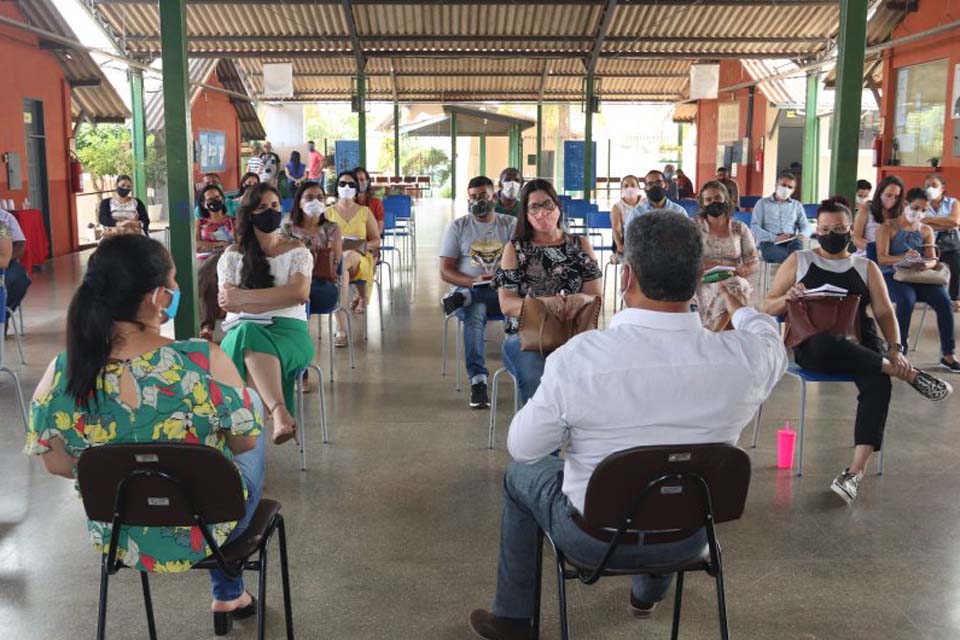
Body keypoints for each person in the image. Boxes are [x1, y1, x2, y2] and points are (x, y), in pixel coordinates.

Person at [469, 212, 788, 640]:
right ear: (698, 278)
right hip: (689, 536)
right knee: (676, 481)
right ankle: (647, 593)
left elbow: (524, 448)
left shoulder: (580, 358)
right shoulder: (745, 361)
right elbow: (771, 339)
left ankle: (512, 619)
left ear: (627, 277)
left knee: (520, 475)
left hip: (594, 539)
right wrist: (739, 305)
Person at [25, 234, 265, 619]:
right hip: (207, 531)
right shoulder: (204, 360)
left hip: (119, 534)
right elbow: (244, 442)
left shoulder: (64, 371)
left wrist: (126, 469)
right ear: (157, 296)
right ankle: (229, 591)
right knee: (252, 420)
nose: (177, 289)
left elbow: (55, 464)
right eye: (173, 281)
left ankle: (230, 591)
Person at [763, 197, 953, 504]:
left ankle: (854, 472)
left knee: (878, 382)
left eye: (838, 228)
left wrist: (895, 349)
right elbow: (766, 305)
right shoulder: (800, 261)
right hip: (816, 344)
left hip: (862, 343)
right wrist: (788, 296)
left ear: (850, 230)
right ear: (817, 230)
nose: (830, 234)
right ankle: (909, 375)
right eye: (824, 228)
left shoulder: (866, 266)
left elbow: (883, 313)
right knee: (827, 343)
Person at [217, 183, 315, 445]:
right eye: (262, 207)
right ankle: (280, 412)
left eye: (274, 206)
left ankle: (247, 447)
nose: (271, 211)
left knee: (247, 347)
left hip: (289, 334)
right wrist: (275, 298)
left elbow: (298, 294)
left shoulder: (297, 250)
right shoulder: (232, 256)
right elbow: (229, 303)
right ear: (249, 214)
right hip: (241, 330)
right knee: (248, 334)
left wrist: (245, 299)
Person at [494, 179, 602, 405]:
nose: (542, 212)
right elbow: (507, 303)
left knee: (599, 375)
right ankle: (541, 436)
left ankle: (584, 435)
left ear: (557, 207)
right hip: (527, 337)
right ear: (525, 212)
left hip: (574, 332)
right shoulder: (515, 249)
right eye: (534, 207)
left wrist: (581, 298)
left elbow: (595, 297)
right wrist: (544, 304)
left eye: (547, 204)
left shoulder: (580, 245)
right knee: (539, 378)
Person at [440, 176, 517, 408]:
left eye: (482, 196)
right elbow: (445, 271)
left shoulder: (509, 225)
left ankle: (464, 298)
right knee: (474, 315)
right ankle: (478, 381)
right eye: (473, 197)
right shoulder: (458, 227)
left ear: (494, 196)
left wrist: (499, 278)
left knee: (487, 296)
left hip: (504, 292)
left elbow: (522, 263)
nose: (478, 201)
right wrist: (472, 282)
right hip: (471, 286)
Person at [876, 188, 959, 372]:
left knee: (944, 301)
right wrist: (904, 258)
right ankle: (898, 351)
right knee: (906, 300)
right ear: (905, 204)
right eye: (915, 208)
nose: (919, 213)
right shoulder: (887, 227)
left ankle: (948, 354)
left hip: (918, 276)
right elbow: (882, 258)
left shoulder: (926, 230)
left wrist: (923, 264)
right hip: (894, 275)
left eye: (923, 210)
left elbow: (932, 259)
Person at [282, 180, 356, 347]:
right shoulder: (287, 229)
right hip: (292, 283)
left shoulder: (332, 228)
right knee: (285, 296)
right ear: (299, 202)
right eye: (309, 197)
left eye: (319, 197)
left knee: (298, 297)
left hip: (322, 284)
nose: (315, 201)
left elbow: (334, 263)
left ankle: (299, 343)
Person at [695, 181, 759, 331]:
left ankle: (713, 335)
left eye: (718, 197)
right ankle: (727, 339)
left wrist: (744, 269)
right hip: (704, 279)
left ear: (726, 199)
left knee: (736, 285)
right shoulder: (693, 227)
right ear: (703, 204)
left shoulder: (739, 228)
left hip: (734, 275)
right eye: (708, 200)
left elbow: (754, 261)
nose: (714, 202)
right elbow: (687, 259)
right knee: (734, 291)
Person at [324, 170, 380, 314]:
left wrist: (356, 245)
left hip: (359, 258)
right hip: (334, 258)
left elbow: (376, 241)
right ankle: (343, 319)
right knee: (342, 272)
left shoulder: (365, 212)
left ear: (356, 189)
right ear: (336, 187)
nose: (346, 187)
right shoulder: (327, 213)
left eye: (351, 184)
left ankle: (339, 310)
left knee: (347, 256)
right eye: (342, 184)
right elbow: (321, 241)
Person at [196, 185, 238, 341]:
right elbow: (197, 244)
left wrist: (222, 249)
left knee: (211, 267)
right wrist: (219, 245)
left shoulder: (232, 221)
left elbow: (239, 244)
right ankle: (207, 326)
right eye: (210, 199)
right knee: (210, 279)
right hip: (206, 260)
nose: (215, 201)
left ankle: (207, 327)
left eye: (218, 198)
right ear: (203, 204)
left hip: (229, 258)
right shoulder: (200, 222)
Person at [750, 170, 810, 263]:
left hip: (791, 240)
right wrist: (775, 238)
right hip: (769, 242)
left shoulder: (797, 205)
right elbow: (754, 227)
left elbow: (806, 226)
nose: (786, 189)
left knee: (797, 246)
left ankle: (793, 266)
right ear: (777, 184)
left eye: (790, 187)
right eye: (783, 185)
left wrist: (802, 235)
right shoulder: (762, 203)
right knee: (795, 258)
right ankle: (794, 266)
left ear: (793, 190)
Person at [922, 173, 960, 311]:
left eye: (934, 186)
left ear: (942, 188)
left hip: (949, 241)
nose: (930, 189)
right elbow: (919, 223)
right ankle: (930, 296)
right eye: (927, 186)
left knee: (956, 266)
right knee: (927, 266)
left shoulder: (953, 203)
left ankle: (955, 298)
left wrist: (929, 221)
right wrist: (945, 222)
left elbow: (955, 221)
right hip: (927, 241)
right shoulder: (922, 203)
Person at [852, 175, 902, 255]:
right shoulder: (866, 209)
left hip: (893, 259)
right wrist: (877, 250)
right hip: (867, 256)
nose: (892, 199)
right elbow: (856, 239)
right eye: (888, 195)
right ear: (880, 193)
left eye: (896, 196)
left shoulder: (901, 214)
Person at [0, 206, 31, 313]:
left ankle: (3, 316)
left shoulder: (4, 220)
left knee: (18, 280)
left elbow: (20, 245)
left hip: (7, 263)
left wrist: (6, 258)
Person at [610, 174, 643, 255]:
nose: (629, 188)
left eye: (633, 185)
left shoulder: (646, 203)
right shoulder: (617, 207)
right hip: (626, 239)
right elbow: (616, 230)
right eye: (626, 186)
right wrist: (619, 246)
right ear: (622, 190)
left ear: (638, 188)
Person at [354, 166, 385, 239]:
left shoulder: (376, 203)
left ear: (367, 181)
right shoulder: (347, 203)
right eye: (356, 180)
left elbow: (379, 230)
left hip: (370, 244)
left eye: (362, 180)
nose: (359, 182)